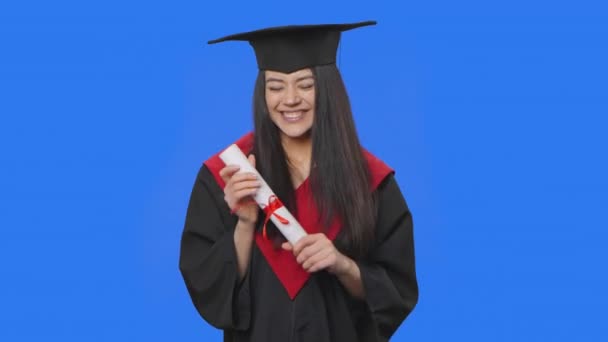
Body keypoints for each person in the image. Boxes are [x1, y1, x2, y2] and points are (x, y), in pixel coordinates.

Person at [179, 20, 418, 342]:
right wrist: (246, 224)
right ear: (262, 94)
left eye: (305, 85)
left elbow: (395, 291)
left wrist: (342, 264)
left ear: (328, 90)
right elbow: (207, 285)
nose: (289, 99)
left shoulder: (371, 181)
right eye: (276, 86)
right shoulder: (227, 175)